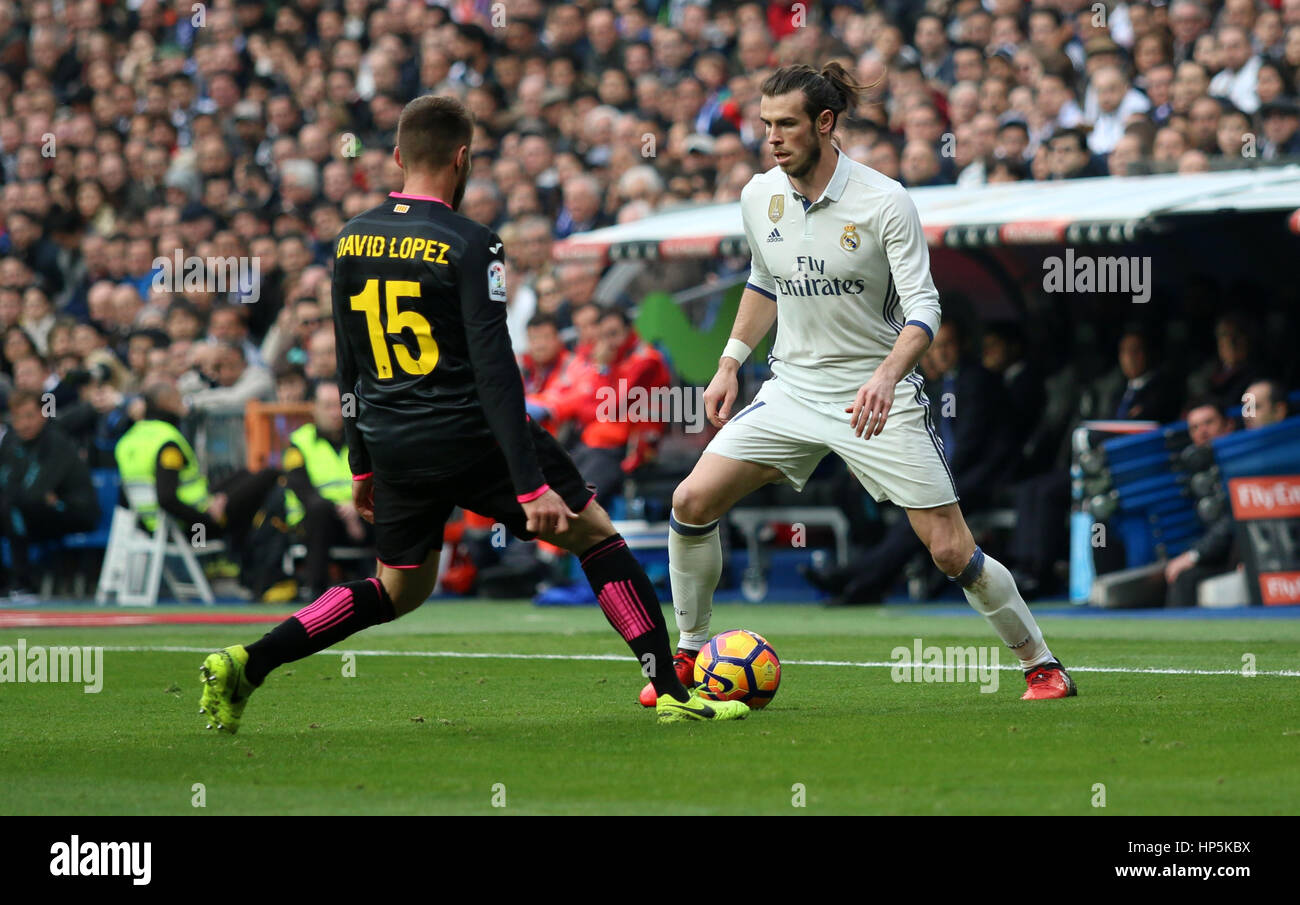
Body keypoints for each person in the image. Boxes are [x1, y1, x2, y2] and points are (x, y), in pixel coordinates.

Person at [198, 95, 746, 733]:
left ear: (399, 156)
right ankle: (671, 691)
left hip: (393, 441)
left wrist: (361, 464)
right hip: (468, 433)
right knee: (597, 535)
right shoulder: (471, 242)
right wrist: (529, 480)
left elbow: (347, 367)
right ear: (463, 158)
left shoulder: (350, 240)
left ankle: (249, 662)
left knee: (398, 589)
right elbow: (494, 369)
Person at [655, 64, 1077, 707]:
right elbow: (764, 284)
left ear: (825, 124)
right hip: (792, 390)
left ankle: (1042, 665)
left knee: (949, 551)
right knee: (690, 503)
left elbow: (925, 311)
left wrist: (886, 376)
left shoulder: (885, 201)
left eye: (787, 124)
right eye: (767, 125)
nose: (773, 138)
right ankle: (687, 657)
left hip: (875, 396)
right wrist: (730, 361)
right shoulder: (757, 195)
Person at [0, 390, 99, 597]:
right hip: (38, 510)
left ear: (43, 414)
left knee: (12, 509)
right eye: (18, 418)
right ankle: (8, 582)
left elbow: (35, 491)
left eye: (29, 416)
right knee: (10, 508)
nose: (24, 424)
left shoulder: (56, 442)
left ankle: (23, 584)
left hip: (74, 511)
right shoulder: (11, 442)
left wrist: (26, 494)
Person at [281, 380, 372, 600]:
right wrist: (343, 510)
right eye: (327, 406)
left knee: (394, 504)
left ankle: (395, 586)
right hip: (315, 524)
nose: (335, 413)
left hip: (361, 514)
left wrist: (357, 507)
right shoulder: (299, 443)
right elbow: (304, 492)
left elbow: (379, 479)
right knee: (319, 509)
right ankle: (317, 593)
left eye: (339, 405)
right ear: (313, 407)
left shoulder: (362, 439)